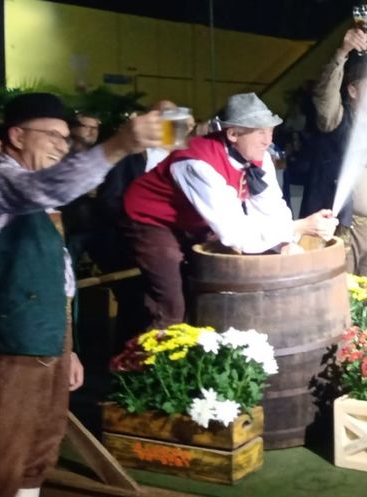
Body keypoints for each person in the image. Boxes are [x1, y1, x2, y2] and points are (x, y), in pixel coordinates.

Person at [0, 92, 161, 497]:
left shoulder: (39, 196)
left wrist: (70, 347)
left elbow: (59, 275)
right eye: (51, 135)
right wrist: (121, 144)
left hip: (46, 337)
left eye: (66, 139)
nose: (61, 146)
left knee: (39, 448)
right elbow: (50, 187)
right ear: (16, 136)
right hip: (6, 340)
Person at [123, 93, 338, 328]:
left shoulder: (259, 156)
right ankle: (155, 342)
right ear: (233, 134)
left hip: (195, 219)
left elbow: (270, 208)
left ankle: (211, 336)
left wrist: (285, 243)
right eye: (260, 132)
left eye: (270, 131)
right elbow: (236, 234)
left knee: (221, 279)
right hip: (151, 220)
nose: (268, 140)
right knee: (171, 303)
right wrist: (301, 226)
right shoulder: (197, 163)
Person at [300, 28, 367, 280]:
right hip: (344, 230)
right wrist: (342, 52)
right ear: (353, 91)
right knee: (341, 294)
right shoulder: (337, 120)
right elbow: (324, 95)